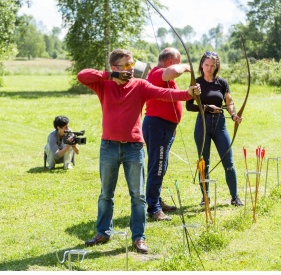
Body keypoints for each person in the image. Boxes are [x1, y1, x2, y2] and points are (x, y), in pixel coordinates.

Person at [77, 49, 201, 254]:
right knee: (106, 194)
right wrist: (110, 75)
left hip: (133, 147)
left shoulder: (140, 85)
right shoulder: (104, 84)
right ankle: (103, 232)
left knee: (138, 196)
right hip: (109, 146)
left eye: (132, 64)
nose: (131, 68)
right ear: (115, 67)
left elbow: (166, 93)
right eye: (126, 65)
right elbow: (82, 75)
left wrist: (188, 93)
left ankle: (139, 238)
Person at [186, 51, 243, 207]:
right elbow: (189, 106)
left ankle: (234, 197)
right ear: (202, 65)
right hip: (203, 126)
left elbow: (229, 103)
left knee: (228, 161)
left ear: (216, 66)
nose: (209, 68)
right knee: (204, 163)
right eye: (206, 65)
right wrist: (206, 107)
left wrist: (234, 115)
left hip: (220, 125)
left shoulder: (222, 83)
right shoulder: (196, 83)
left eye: (212, 66)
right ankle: (205, 197)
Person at [143, 47, 192, 221]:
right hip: (157, 126)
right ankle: (154, 209)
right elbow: (172, 71)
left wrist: (173, 126)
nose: (179, 67)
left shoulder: (161, 75)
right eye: (178, 62)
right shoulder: (158, 73)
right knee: (157, 167)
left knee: (160, 166)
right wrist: (186, 67)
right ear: (170, 61)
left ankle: (156, 200)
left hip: (164, 127)